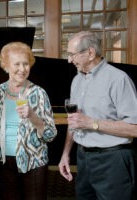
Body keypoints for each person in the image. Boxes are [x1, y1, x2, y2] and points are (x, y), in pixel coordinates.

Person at [58, 31, 137, 200]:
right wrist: (66, 154)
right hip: (83, 159)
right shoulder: (76, 80)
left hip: (113, 160)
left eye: (72, 54)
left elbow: (135, 128)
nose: (69, 60)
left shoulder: (118, 79)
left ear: (90, 53)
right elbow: (75, 121)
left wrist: (92, 123)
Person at [0, 42, 57, 200]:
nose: (22, 69)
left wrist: (33, 116)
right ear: (6, 66)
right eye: (17, 64)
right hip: (5, 161)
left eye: (26, 64)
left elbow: (50, 135)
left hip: (34, 162)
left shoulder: (39, 94)